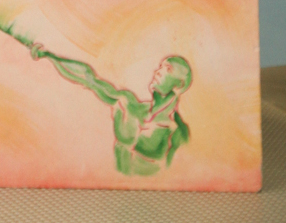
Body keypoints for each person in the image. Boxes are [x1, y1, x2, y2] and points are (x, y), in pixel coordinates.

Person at [28, 45, 192, 178]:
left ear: (179, 85)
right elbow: (88, 77)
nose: (158, 71)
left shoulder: (176, 130)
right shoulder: (128, 103)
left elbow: (176, 175)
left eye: (167, 69)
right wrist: (50, 56)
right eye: (160, 67)